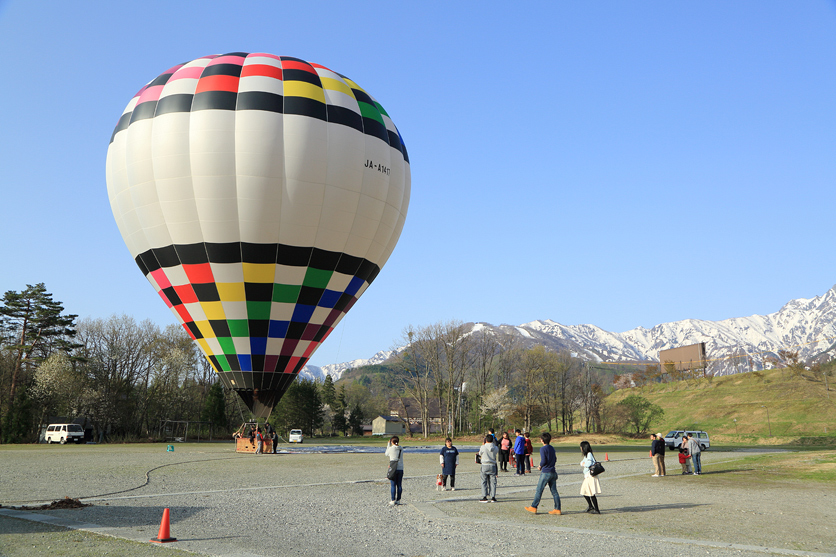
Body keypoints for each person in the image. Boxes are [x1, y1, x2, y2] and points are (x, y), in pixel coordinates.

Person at [524, 432, 561, 515]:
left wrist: (540, 466)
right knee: (554, 492)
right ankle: (557, 508)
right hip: (553, 471)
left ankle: (533, 506)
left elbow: (544, 460)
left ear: (542, 440)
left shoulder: (543, 449)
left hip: (546, 472)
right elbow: (555, 459)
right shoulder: (552, 448)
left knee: (539, 490)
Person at [579, 440, 601, 514]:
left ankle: (596, 509)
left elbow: (588, 464)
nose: (580, 448)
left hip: (590, 476)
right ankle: (591, 506)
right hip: (587, 476)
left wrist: (583, 464)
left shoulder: (589, 454)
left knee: (591, 493)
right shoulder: (586, 455)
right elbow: (581, 462)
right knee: (584, 491)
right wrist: (583, 463)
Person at [478, 434, 499, 502]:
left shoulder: (483, 447)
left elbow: (480, 453)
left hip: (485, 465)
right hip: (492, 465)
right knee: (493, 481)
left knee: (484, 481)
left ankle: (484, 496)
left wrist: (483, 444)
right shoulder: (495, 448)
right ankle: (493, 496)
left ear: (486, 440)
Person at [385, 436, 404, 505]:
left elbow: (386, 454)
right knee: (399, 485)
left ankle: (393, 500)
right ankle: (398, 500)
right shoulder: (401, 448)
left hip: (393, 468)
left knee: (393, 485)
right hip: (400, 468)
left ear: (391, 442)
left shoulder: (390, 448)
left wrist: (388, 445)